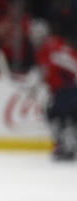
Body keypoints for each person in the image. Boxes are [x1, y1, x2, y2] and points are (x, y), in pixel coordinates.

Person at [27, 19, 77, 161]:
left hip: (69, 90)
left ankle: (68, 145)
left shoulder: (54, 48)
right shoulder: (41, 52)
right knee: (53, 115)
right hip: (59, 92)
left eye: (36, 34)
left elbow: (72, 62)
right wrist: (34, 86)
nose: (33, 38)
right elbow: (45, 72)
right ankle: (65, 145)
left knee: (60, 116)